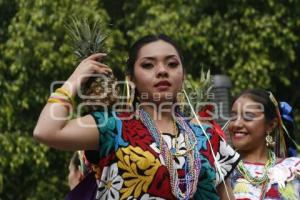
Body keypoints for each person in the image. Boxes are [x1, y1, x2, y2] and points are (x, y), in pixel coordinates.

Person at [34, 34, 240, 199]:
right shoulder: (113, 127)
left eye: (172, 64)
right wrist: (75, 78)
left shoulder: (208, 137)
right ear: (131, 79)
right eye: (148, 65)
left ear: (183, 75)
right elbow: (46, 131)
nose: (162, 71)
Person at [228, 89, 300, 199]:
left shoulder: (293, 170)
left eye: (248, 116)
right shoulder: (218, 171)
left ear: (271, 125)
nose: (236, 124)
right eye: (233, 116)